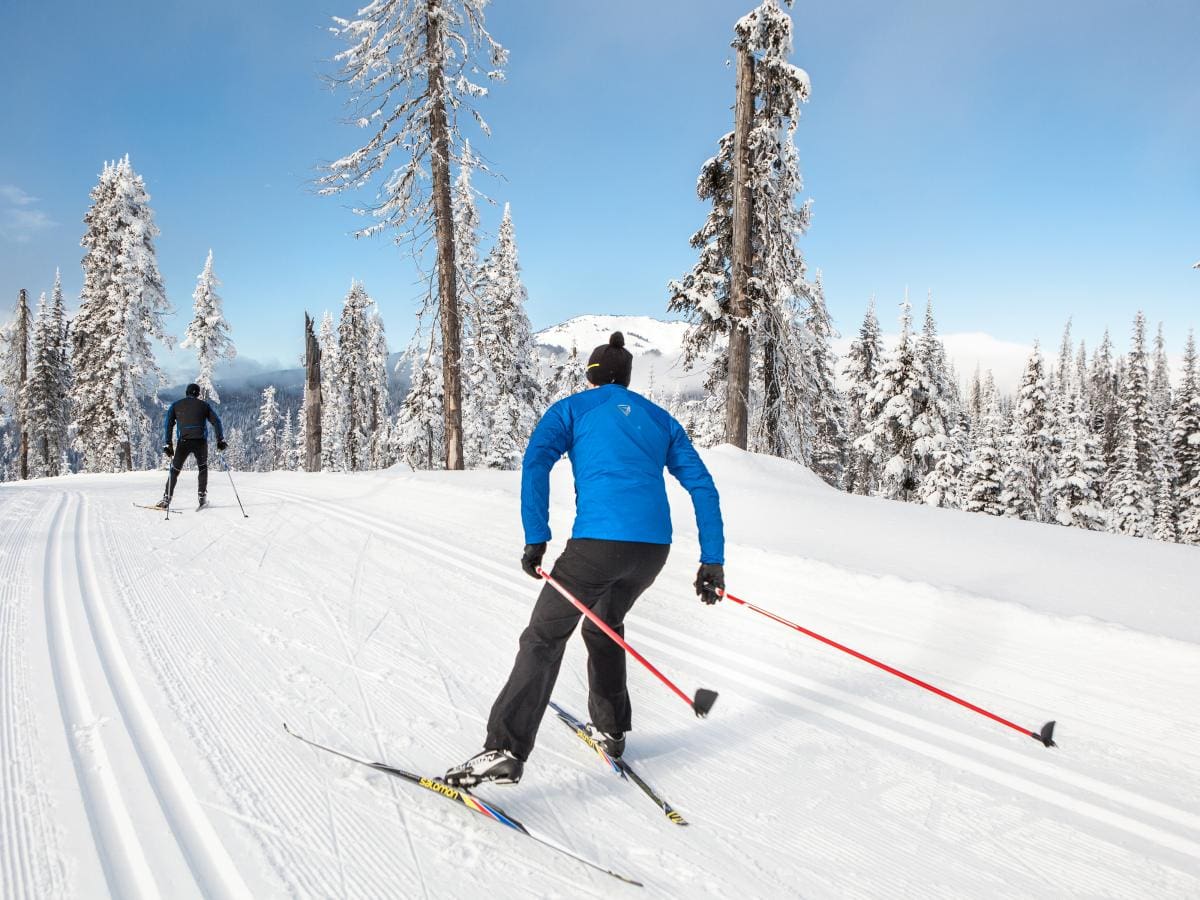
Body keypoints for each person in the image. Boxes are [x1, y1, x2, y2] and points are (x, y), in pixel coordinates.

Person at [445, 332, 726, 787]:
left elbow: (536, 463)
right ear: (627, 378)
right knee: (604, 624)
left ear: (592, 375)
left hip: (596, 545)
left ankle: (504, 748)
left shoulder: (572, 410)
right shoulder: (660, 419)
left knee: (543, 637)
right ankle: (611, 729)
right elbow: (702, 486)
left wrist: (537, 537)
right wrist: (712, 560)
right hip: (652, 551)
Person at [156, 383, 227, 510]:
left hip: (183, 442)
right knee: (202, 468)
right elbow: (216, 422)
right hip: (200, 442)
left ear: (186, 392)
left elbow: (168, 425)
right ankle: (202, 498)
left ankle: (166, 499)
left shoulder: (176, 405)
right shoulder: (204, 406)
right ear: (198, 393)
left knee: (175, 470)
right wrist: (220, 440)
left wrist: (168, 444)